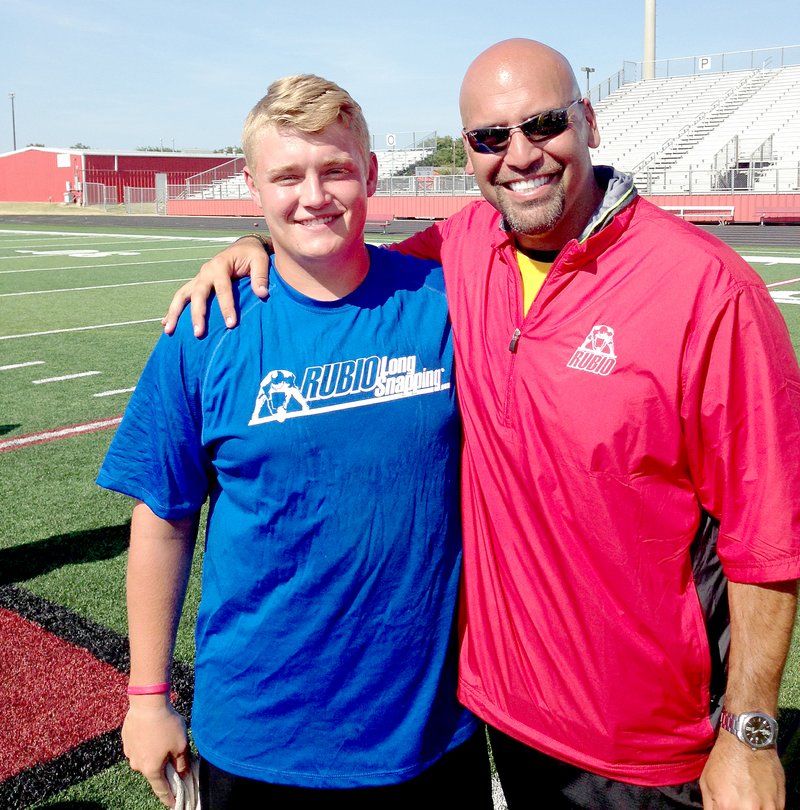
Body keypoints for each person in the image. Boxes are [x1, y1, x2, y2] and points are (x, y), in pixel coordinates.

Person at [164, 40, 800, 810]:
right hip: (500, 720)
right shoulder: (462, 250)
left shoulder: (707, 290)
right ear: (469, 152)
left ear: (589, 120)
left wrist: (751, 731)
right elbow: (333, 260)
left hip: (646, 750)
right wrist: (252, 247)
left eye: (543, 124)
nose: (521, 155)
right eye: (491, 137)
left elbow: (766, 535)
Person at [98, 74, 492, 810]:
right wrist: (147, 697)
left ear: (371, 173)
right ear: (252, 186)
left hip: (429, 737)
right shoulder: (204, 331)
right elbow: (163, 517)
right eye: (287, 175)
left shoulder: (443, 304)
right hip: (257, 739)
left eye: (336, 169)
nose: (314, 196)